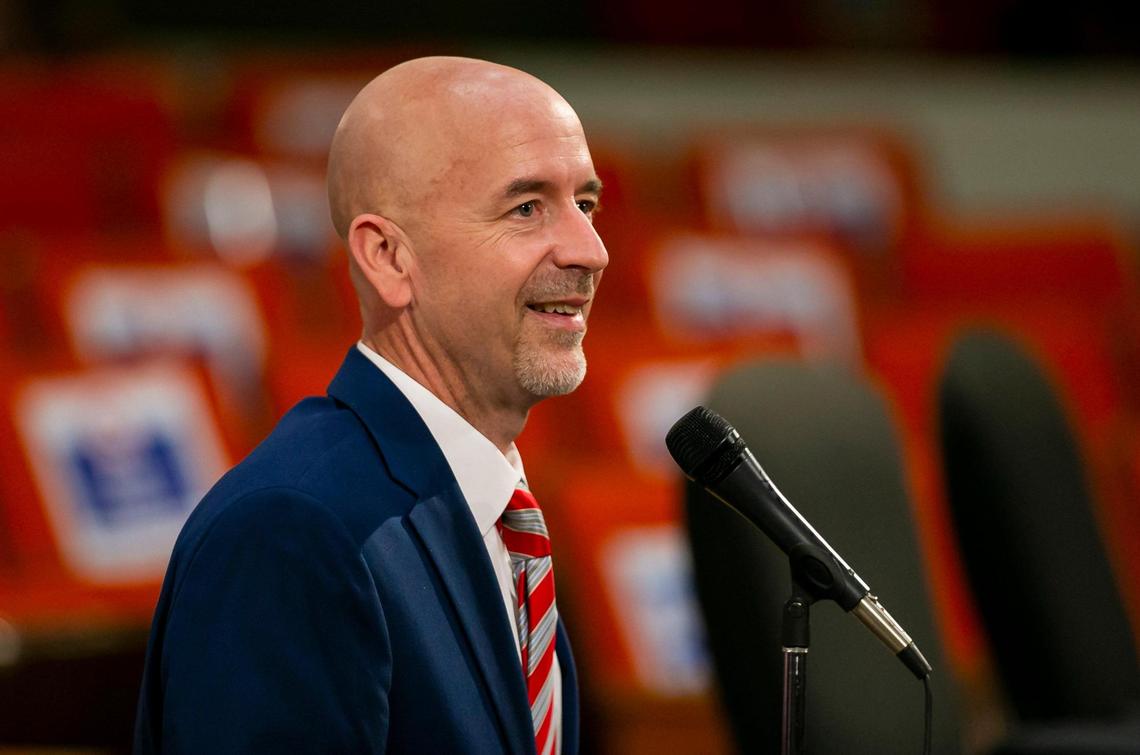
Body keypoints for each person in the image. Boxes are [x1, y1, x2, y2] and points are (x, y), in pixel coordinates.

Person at [133, 56, 608, 754]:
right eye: (526, 208)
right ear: (387, 256)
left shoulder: (500, 516)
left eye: (586, 204)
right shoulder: (291, 533)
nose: (590, 250)